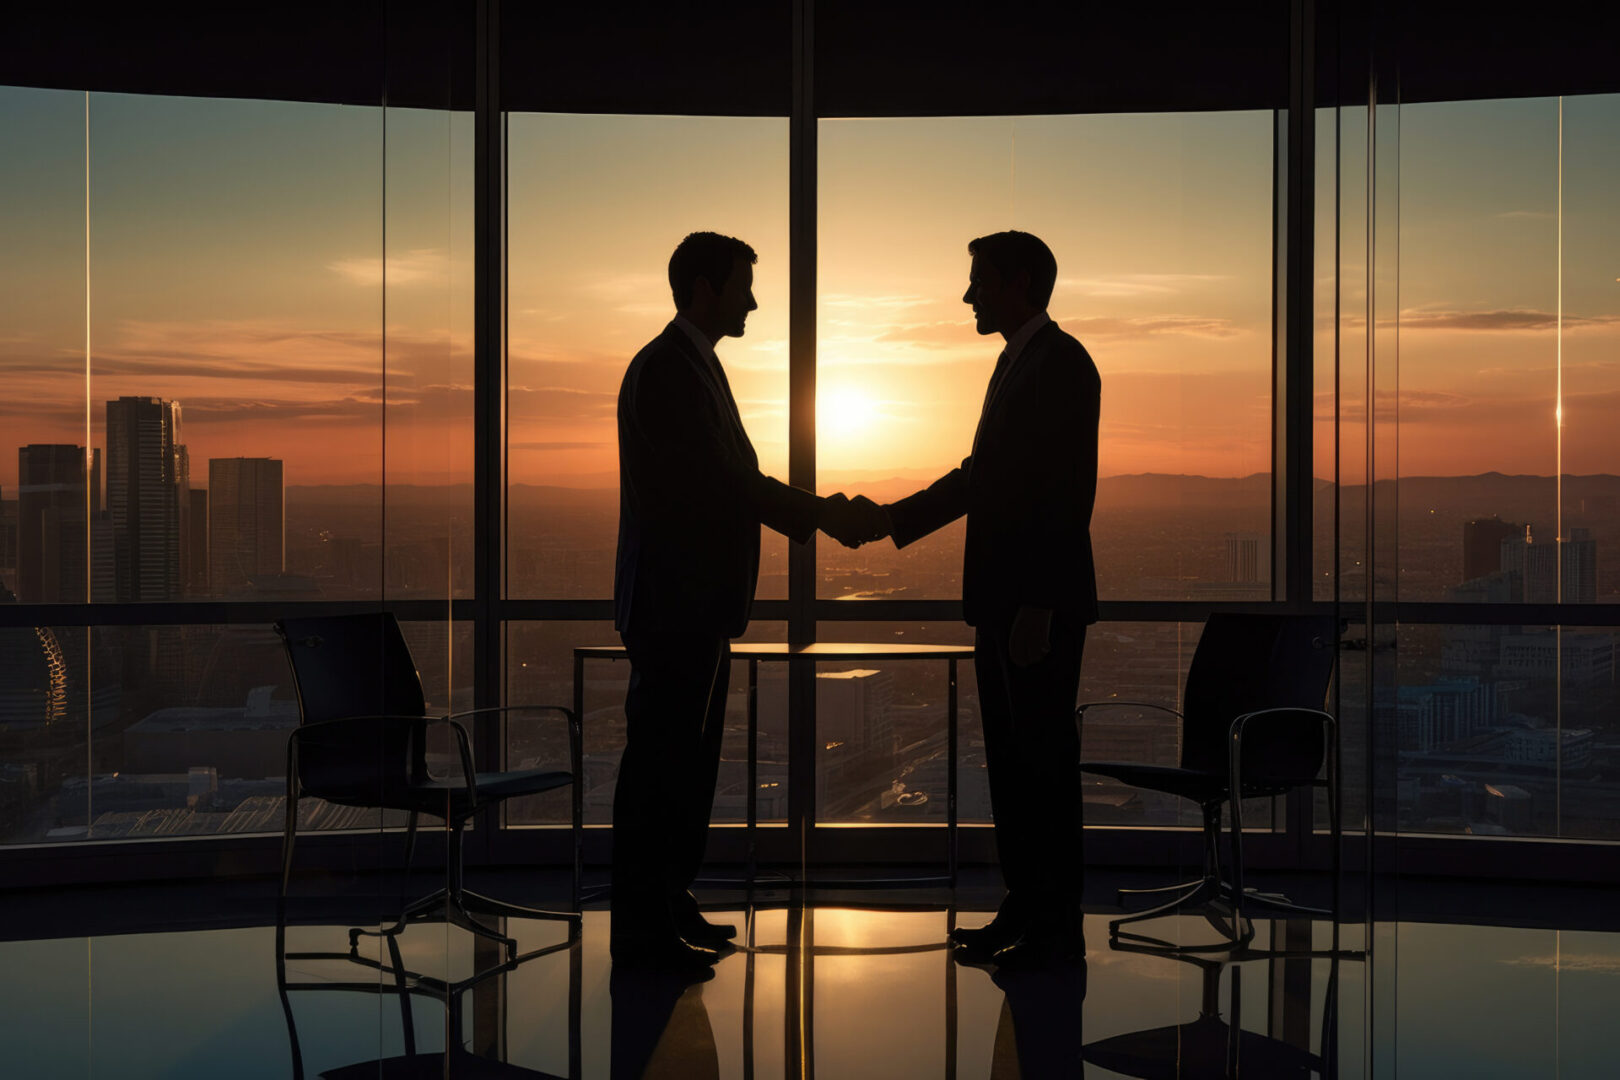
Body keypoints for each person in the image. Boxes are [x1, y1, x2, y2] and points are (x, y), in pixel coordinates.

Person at [612, 231, 876, 970]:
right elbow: (726, 483)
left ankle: (668, 901)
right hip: (674, 606)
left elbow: (724, 481)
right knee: (661, 768)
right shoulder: (669, 371)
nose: (754, 300)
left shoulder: (687, 367)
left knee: (683, 768)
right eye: (743, 286)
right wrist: (824, 513)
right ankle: (644, 925)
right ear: (705, 288)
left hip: (691, 607)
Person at [869, 230, 1100, 968]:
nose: (968, 295)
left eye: (979, 281)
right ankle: (1026, 910)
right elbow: (984, 476)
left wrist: (1037, 605)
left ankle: (1052, 927)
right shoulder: (1020, 363)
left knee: (1040, 769)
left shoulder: (1060, 365)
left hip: (1033, 610)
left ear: (1018, 282)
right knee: (1013, 764)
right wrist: (891, 521)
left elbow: (1067, 495)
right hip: (1007, 605)